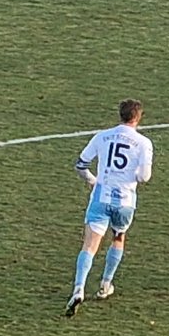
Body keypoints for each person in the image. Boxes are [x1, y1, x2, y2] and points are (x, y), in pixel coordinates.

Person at [66, 99, 155, 317]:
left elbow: (81, 165)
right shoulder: (143, 143)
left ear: (120, 115)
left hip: (101, 197)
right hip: (125, 200)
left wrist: (92, 180)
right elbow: (144, 177)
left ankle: (79, 288)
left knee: (89, 245)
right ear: (138, 117)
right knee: (118, 237)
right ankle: (105, 284)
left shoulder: (102, 136)